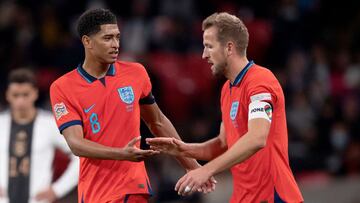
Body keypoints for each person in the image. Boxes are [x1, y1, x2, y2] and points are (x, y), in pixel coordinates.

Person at [49, 8, 214, 203]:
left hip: (131, 187)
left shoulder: (136, 73)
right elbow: (76, 144)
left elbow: (158, 122)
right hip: (92, 192)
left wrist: (193, 166)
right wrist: (121, 154)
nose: (116, 44)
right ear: (87, 42)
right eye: (107, 38)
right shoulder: (63, 87)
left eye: (118, 37)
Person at [146, 12, 304, 203]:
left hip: (273, 196)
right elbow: (222, 143)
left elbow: (257, 137)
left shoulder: (260, 81)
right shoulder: (226, 90)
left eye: (209, 47)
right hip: (243, 197)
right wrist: (184, 149)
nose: (204, 55)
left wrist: (206, 170)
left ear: (229, 48)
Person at [0, 68, 79, 203]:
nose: (20, 101)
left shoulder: (50, 125)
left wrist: (57, 189)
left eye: (25, 95)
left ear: (35, 94)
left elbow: (79, 155)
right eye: (15, 95)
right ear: (7, 95)